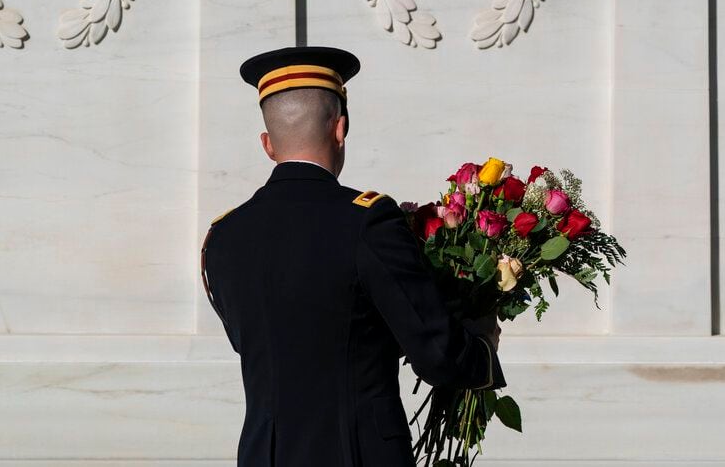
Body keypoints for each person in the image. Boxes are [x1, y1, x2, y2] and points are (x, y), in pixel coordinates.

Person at [200, 45, 505, 466]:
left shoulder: (222, 238)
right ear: (340, 127)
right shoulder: (368, 221)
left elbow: (278, 344)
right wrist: (482, 344)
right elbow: (438, 356)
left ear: (268, 144)